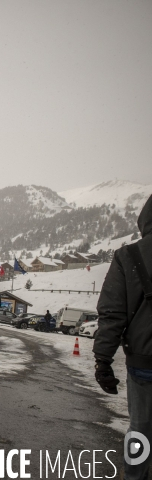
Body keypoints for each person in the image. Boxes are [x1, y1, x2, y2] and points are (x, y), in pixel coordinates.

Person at [94, 194, 152, 480]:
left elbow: (112, 313)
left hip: (145, 362)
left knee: (141, 430)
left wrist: (103, 360)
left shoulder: (130, 256)